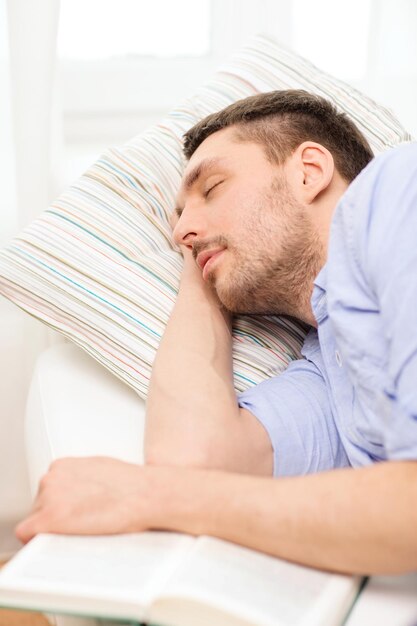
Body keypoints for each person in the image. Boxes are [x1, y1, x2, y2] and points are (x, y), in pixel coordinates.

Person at [15, 90, 417, 575]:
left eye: (212, 187)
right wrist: (203, 265)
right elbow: (194, 462)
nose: (182, 230)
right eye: (178, 219)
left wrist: (146, 496)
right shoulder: (329, 366)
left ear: (309, 171)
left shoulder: (396, 194)